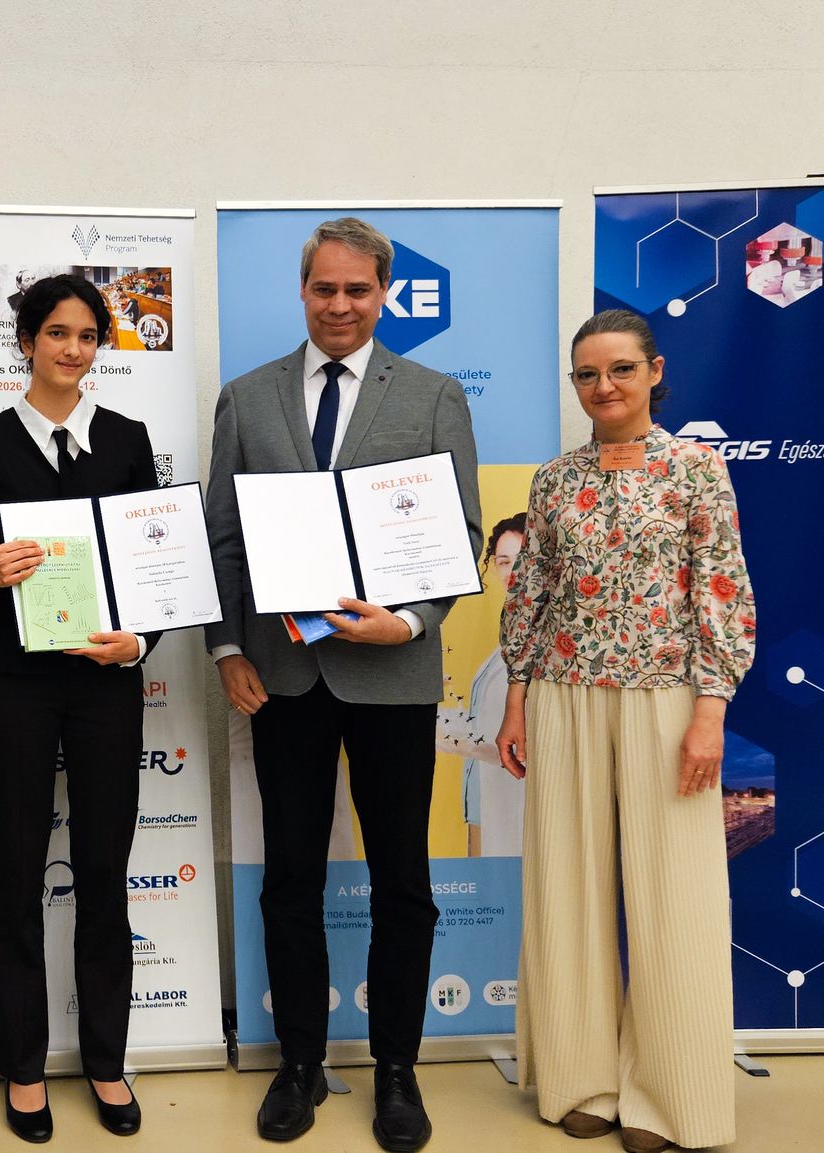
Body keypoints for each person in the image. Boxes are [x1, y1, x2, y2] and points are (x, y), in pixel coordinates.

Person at [205, 217, 480, 1151]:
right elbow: (224, 540)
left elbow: (460, 533)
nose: (339, 305)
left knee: (403, 879)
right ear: (303, 289)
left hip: (393, 674)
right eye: (324, 288)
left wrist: (410, 621)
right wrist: (226, 648)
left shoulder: (434, 396)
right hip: (282, 676)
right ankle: (298, 1063)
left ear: (384, 294)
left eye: (358, 290)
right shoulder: (247, 398)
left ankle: (398, 1069)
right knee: (290, 877)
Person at [495, 309, 754, 1153]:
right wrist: (515, 699)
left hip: (667, 698)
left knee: (674, 895)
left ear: (654, 372)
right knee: (566, 887)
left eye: (620, 370)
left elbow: (721, 588)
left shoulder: (696, 468)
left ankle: (671, 1096)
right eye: (587, 374)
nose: (603, 387)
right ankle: (583, 1080)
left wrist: (710, 709)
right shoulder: (553, 480)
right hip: (562, 695)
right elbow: (530, 594)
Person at [0, 274, 155, 1143]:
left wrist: (138, 643)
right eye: (58, 333)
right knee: (20, 866)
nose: (73, 349)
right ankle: (23, 1065)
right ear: (28, 340)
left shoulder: (128, 439)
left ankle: (106, 1059)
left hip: (107, 679)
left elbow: (154, 566)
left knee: (106, 870)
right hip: (18, 684)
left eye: (87, 335)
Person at [436, 514, 529, 858]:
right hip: (481, 805)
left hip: (515, 807)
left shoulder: (545, 639)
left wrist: (431, 721)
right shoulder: (507, 639)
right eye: (503, 561)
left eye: (521, 558)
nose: (512, 572)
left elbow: (506, 741)